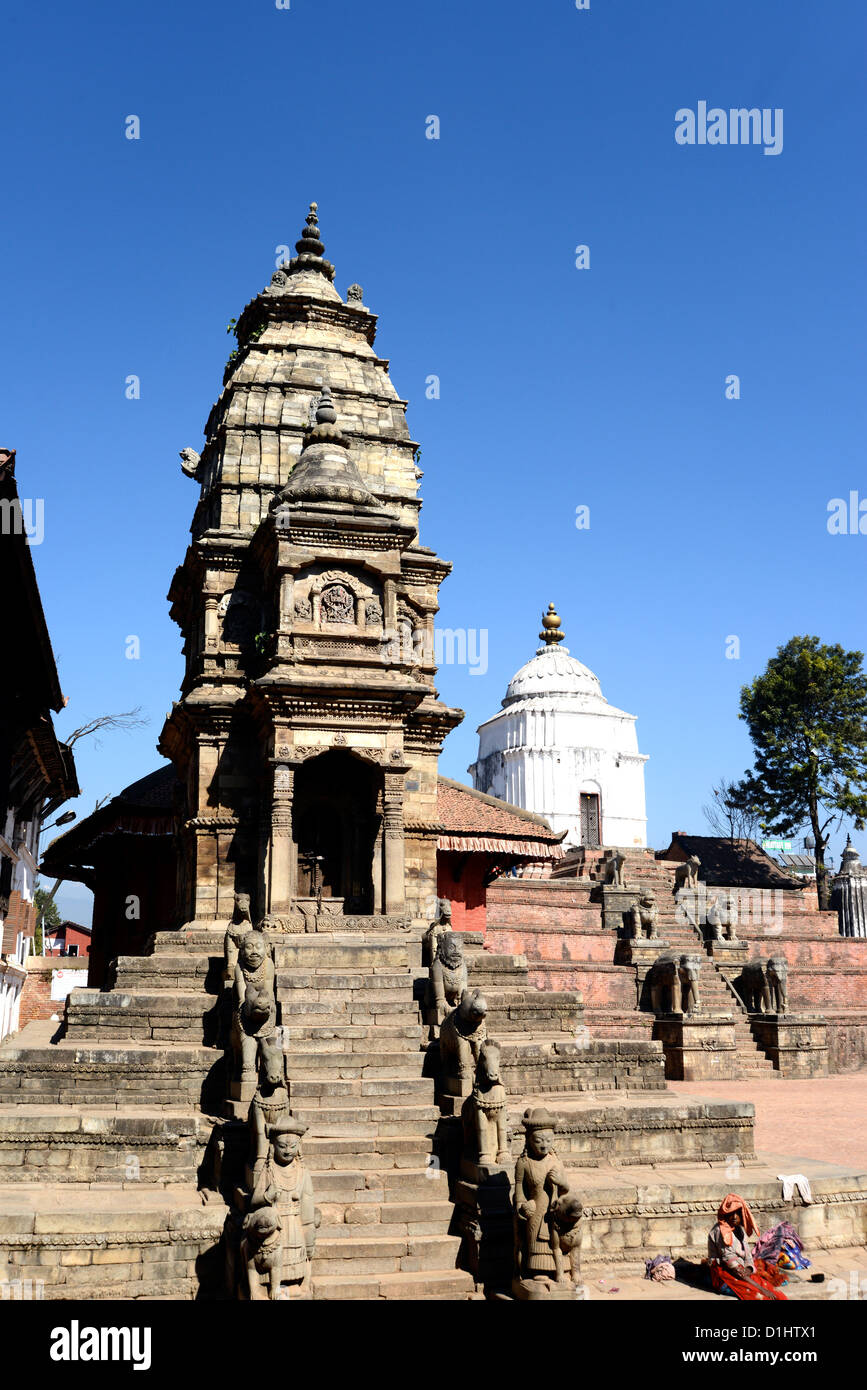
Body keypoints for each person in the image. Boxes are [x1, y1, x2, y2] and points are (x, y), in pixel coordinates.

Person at [707, 1194, 788, 1300]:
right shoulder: (721, 1232)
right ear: (726, 1214)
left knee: (777, 1294)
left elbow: (748, 1256)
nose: (735, 1217)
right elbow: (732, 1264)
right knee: (760, 1296)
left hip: (742, 1273)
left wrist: (749, 1269)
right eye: (731, 1213)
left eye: (738, 1213)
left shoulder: (739, 1230)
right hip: (723, 1275)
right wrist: (761, 1289)